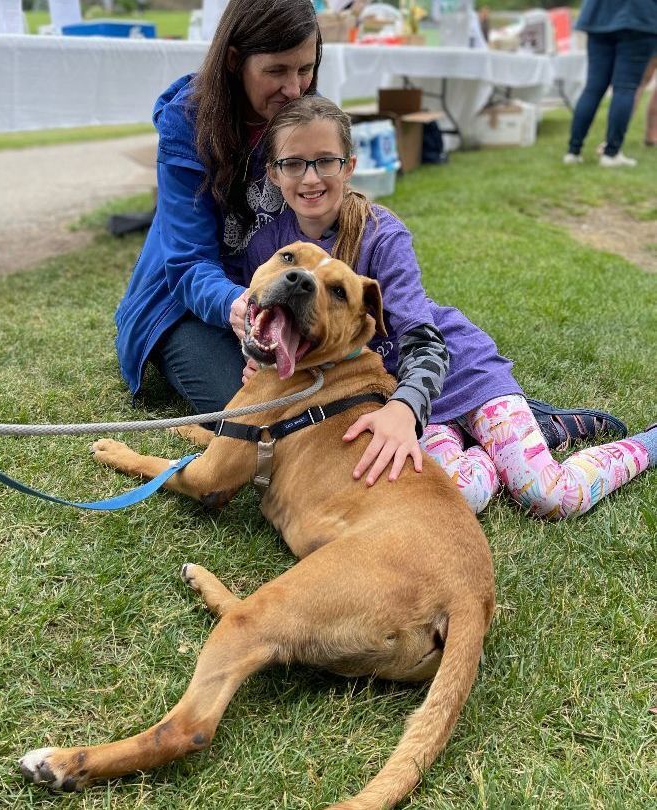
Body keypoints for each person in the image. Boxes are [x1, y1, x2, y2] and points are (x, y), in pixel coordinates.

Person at [238, 95, 656, 519]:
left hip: (454, 375)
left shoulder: (382, 235)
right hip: (401, 398)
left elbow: (425, 342)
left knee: (548, 496)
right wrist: (262, 351)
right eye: (293, 163)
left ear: (349, 165)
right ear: (273, 173)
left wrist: (404, 410)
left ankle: (645, 442)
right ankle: (525, 435)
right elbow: (266, 317)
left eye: (325, 160)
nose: (310, 177)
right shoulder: (270, 248)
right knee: (453, 497)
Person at [115, 0, 322, 416]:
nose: (295, 89)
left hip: (275, 293)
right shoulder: (187, 122)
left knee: (320, 393)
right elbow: (188, 262)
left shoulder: (304, 111)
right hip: (183, 303)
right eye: (277, 71)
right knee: (257, 414)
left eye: (305, 68)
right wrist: (244, 309)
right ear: (234, 60)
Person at [563, 0, 657, 167]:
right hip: (639, 18)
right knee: (625, 88)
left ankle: (573, 152)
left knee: (593, 88)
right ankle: (611, 154)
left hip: (599, 17)